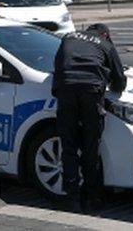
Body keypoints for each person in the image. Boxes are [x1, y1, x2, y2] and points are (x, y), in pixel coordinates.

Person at [52, 23, 127, 212]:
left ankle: (71, 198)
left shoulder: (68, 37)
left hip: (66, 88)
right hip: (91, 91)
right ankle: (90, 197)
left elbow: (58, 64)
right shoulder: (105, 43)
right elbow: (119, 81)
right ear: (105, 34)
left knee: (68, 145)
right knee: (90, 145)